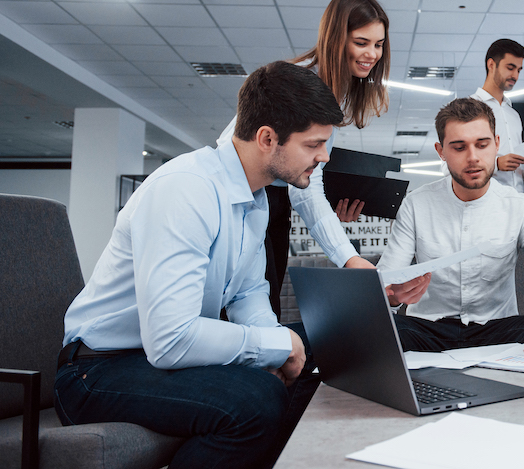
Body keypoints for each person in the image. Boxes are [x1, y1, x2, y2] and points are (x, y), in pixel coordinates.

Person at [55, 62, 346, 468]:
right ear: (267, 138)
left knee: (322, 348)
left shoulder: (254, 198)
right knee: (256, 402)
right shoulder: (186, 189)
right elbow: (171, 340)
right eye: (314, 144)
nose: (324, 156)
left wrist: (278, 349)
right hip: (97, 369)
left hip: (148, 357)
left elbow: (248, 294)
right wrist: (273, 346)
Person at [380, 98, 524, 353]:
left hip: (496, 330)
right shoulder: (416, 204)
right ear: (441, 151)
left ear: (497, 144)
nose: (473, 158)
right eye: (459, 148)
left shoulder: (520, 206)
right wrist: (392, 296)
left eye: (482, 145)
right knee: (385, 332)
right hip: (429, 329)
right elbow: (386, 277)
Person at [218, 0, 390, 317]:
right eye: (361, 42)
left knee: (262, 311)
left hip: (271, 205)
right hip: (244, 200)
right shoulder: (296, 87)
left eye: (378, 44)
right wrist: (348, 257)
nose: (371, 53)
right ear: (337, 39)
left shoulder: (333, 93)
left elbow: (307, 187)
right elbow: (233, 146)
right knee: (244, 311)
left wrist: (347, 255)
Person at [470, 38, 524, 192]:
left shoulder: (513, 115)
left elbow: (516, 171)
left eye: (519, 70)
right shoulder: (468, 109)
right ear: (491, 65)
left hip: (517, 202)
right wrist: (496, 164)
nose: (515, 75)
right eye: (510, 67)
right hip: (486, 203)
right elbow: (449, 165)